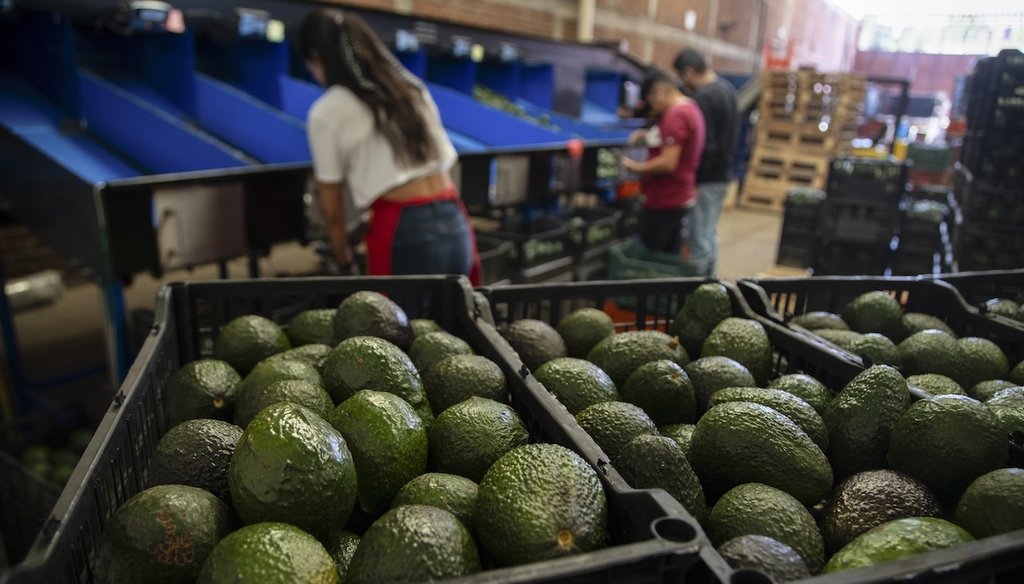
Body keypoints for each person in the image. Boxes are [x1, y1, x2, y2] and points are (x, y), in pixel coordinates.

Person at [299, 9, 479, 283]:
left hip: (403, 229)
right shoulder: (409, 89)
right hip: (455, 219)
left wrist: (344, 263)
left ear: (316, 57)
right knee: (453, 321)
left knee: (398, 325)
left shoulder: (327, 111)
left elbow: (333, 212)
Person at [622, 70, 706, 254]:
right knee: (669, 252)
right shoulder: (691, 107)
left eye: (651, 101)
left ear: (660, 93)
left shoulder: (675, 116)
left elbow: (669, 163)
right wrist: (646, 135)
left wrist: (634, 166)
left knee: (656, 257)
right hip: (680, 196)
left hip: (665, 200)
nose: (653, 108)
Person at [674, 48, 738, 276]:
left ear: (689, 72)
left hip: (708, 179)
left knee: (699, 237)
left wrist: (696, 182)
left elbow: (706, 145)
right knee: (709, 234)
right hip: (724, 175)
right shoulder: (727, 90)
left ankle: (699, 295)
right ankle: (711, 285)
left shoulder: (704, 97)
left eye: (682, 77)